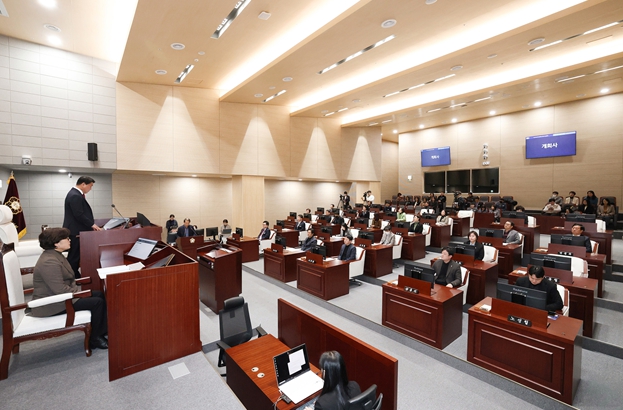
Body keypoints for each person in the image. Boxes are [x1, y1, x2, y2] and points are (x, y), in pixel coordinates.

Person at [31, 228, 108, 350]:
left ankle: (100, 331)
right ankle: (95, 339)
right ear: (56, 243)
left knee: (99, 294)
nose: (69, 240)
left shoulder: (55, 255)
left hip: (61, 296)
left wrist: (80, 293)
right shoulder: (49, 262)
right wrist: (80, 293)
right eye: (66, 238)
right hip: (52, 303)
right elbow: (59, 290)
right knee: (97, 302)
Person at [63, 175, 102, 278]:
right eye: (90, 186)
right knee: (74, 256)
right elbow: (79, 214)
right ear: (83, 184)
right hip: (76, 231)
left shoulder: (74, 193)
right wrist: (92, 224)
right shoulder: (75, 195)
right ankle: (72, 276)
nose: (91, 188)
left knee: (75, 255)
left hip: (76, 229)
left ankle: (74, 275)